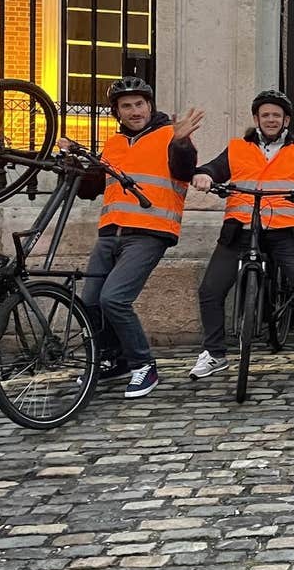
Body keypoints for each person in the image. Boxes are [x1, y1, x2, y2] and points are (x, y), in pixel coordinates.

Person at [69, 76, 202, 399]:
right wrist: (73, 161)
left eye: (139, 104)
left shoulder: (170, 135)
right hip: (110, 231)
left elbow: (184, 171)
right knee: (89, 302)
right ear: (117, 111)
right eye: (126, 106)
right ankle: (114, 360)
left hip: (150, 233)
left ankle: (144, 365)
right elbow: (90, 189)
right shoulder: (114, 143)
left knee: (114, 299)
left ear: (150, 105)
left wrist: (182, 141)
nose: (134, 111)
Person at [187, 89, 294, 382]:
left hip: (286, 234)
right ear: (256, 118)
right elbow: (215, 168)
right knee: (210, 290)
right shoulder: (238, 147)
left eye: (276, 115)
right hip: (240, 230)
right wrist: (204, 175)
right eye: (265, 115)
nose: (271, 119)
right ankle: (214, 353)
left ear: (286, 119)